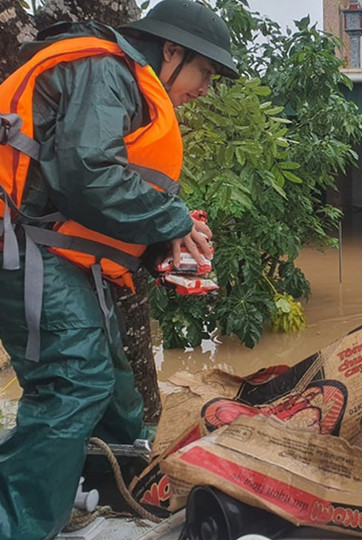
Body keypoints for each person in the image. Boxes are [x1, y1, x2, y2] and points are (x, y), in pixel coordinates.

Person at [0, 1, 237, 538]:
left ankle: (108, 486)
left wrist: (161, 250)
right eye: (205, 70)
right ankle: (17, 523)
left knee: (111, 373)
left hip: (48, 246)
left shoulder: (122, 83)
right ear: (171, 51)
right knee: (73, 376)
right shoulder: (107, 71)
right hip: (18, 244)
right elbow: (86, 174)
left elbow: (83, 196)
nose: (206, 87)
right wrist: (170, 218)